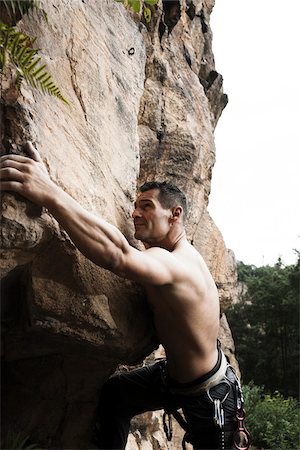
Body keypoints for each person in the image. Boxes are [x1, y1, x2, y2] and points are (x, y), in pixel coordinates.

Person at [0, 142, 248, 450]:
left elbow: (118, 255)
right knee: (117, 395)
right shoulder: (169, 256)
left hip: (210, 395)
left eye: (146, 206)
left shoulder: (179, 264)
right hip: (176, 377)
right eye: (136, 205)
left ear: (175, 214)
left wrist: (49, 192)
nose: (135, 213)